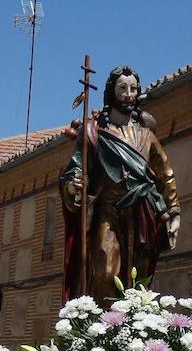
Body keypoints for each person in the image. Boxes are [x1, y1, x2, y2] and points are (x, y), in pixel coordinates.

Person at [58, 64, 183, 301]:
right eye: (122, 88)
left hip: (143, 213)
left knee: (139, 282)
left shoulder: (147, 136)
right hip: (109, 210)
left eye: (133, 88)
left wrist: (174, 209)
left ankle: (133, 332)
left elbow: (165, 172)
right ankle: (102, 332)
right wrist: (73, 184)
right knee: (105, 273)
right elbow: (75, 168)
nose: (128, 93)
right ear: (111, 92)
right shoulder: (94, 132)